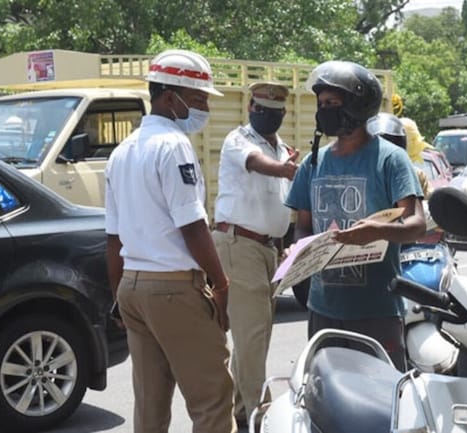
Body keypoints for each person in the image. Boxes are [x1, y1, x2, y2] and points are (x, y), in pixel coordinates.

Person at [104, 49, 235, 433]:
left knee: (150, 405)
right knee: (211, 400)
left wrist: (119, 296)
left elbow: (113, 238)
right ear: (168, 96)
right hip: (173, 289)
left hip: (134, 288)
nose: (205, 107)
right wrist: (221, 283)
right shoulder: (173, 145)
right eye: (198, 98)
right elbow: (192, 226)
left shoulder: (122, 150)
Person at [284, 61, 427, 370]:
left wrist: (378, 232)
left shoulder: (391, 160)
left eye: (332, 104)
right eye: (321, 104)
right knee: (326, 401)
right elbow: (302, 228)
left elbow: (416, 224)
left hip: (377, 311)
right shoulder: (312, 164)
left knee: (384, 403)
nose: (324, 111)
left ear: (358, 106)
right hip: (323, 310)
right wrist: (298, 252)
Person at [212, 81, 298, 427]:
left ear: (283, 114)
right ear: (251, 108)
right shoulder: (238, 140)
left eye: (275, 113)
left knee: (256, 339)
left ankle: (239, 411)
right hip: (239, 245)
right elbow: (258, 164)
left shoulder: (284, 150)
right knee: (252, 336)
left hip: (269, 250)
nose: (268, 117)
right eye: (262, 110)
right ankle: (258, 416)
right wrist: (289, 170)